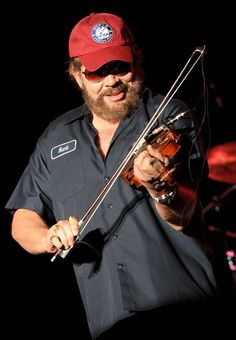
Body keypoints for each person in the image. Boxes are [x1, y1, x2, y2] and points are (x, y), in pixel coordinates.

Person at [6, 12, 219, 340]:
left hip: (182, 309)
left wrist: (158, 184)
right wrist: (48, 237)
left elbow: (182, 216)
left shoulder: (170, 116)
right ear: (78, 75)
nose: (112, 80)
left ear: (137, 61)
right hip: (109, 323)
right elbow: (23, 217)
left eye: (120, 66)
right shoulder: (55, 138)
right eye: (98, 71)